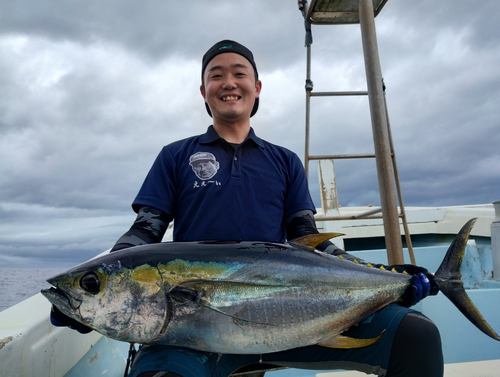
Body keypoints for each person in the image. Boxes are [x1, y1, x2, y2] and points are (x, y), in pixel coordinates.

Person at [51, 40, 443, 377]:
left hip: (293, 321)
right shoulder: (175, 156)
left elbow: (310, 241)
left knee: (417, 336)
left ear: (256, 87)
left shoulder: (284, 161)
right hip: (191, 336)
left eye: (238, 73)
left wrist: (390, 279)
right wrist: (97, 295)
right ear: (203, 91)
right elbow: (145, 229)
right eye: (216, 74)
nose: (228, 82)